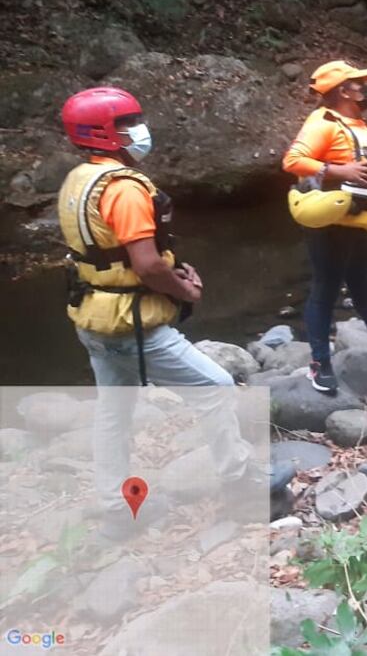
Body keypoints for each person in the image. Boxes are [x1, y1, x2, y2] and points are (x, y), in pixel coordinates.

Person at [56, 87, 255, 534]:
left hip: (93, 316)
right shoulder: (124, 189)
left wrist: (171, 273)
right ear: (103, 133)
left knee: (113, 411)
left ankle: (116, 508)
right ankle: (242, 483)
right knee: (217, 387)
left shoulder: (79, 180)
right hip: (131, 324)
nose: (139, 130)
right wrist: (184, 291)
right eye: (127, 124)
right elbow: (146, 265)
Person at [283, 60, 367, 395]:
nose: (366, 88)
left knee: (363, 284)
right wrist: (340, 171)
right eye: (358, 83)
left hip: (361, 220)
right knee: (325, 288)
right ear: (343, 91)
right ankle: (319, 362)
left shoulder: (364, 127)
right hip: (331, 221)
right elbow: (292, 160)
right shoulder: (323, 123)